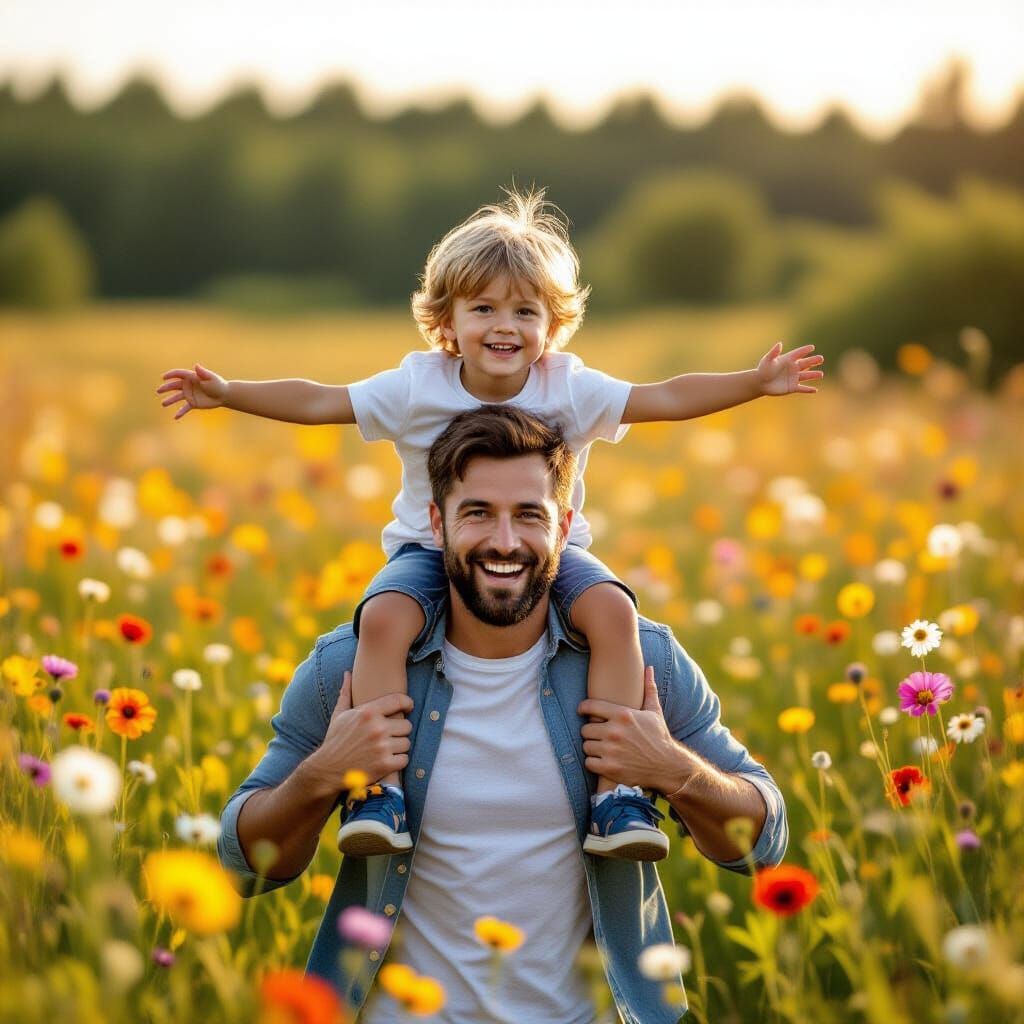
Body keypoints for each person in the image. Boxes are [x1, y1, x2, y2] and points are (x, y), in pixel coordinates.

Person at [167, 187, 819, 863]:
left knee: (613, 611)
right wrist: (228, 393)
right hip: (427, 550)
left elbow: (666, 396)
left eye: (524, 311)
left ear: (552, 325)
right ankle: (377, 792)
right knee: (384, 618)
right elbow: (319, 401)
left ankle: (619, 795)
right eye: (483, 308)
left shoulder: (569, 387)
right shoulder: (417, 386)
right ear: (446, 321)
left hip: (556, 555)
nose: (504, 326)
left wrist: (754, 382)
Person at [216, 404, 789, 1023]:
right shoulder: (350, 668)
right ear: (436, 523)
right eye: (478, 513)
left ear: (564, 527)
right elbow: (243, 865)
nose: (505, 542)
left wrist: (672, 769)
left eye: (529, 516)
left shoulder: (641, 662)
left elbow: (764, 842)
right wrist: (323, 773)